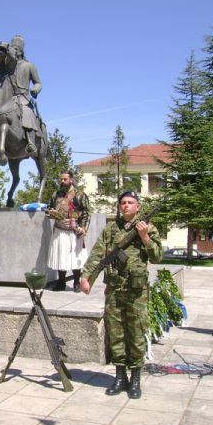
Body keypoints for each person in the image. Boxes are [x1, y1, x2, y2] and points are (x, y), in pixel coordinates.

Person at [80, 191, 163, 399]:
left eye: (130, 203)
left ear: (138, 206)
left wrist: (144, 237)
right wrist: (86, 277)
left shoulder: (148, 228)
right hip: (115, 290)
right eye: (123, 203)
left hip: (136, 292)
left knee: (135, 334)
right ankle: (119, 377)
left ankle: (135, 379)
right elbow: (98, 255)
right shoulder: (111, 229)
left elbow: (158, 256)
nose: (126, 206)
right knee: (115, 334)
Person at [46, 171, 90, 292]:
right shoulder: (56, 194)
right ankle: (61, 283)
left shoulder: (79, 195)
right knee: (60, 256)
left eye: (65, 179)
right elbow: (49, 208)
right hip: (59, 230)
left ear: (71, 179)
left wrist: (84, 228)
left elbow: (86, 213)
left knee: (74, 257)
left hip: (74, 230)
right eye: (61, 179)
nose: (62, 181)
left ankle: (76, 283)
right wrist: (51, 214)